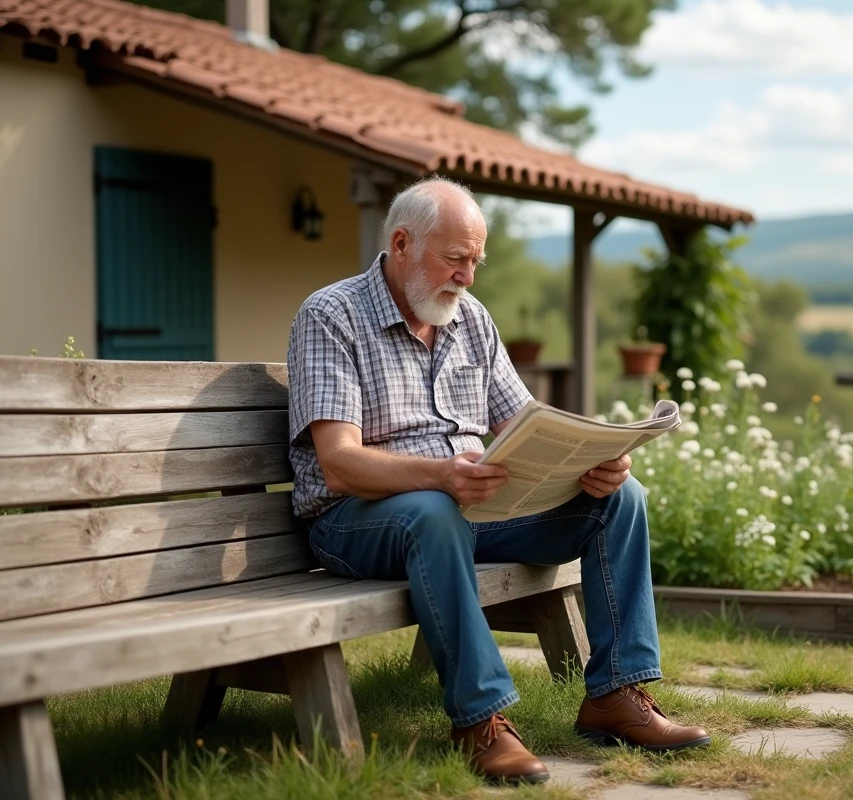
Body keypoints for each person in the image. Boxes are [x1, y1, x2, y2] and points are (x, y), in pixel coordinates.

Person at [286, 177, 709, 784]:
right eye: (455, 259)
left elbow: (526, 423)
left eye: (475, 261)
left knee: (620, 498)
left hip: (466, 510)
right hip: (355, 521)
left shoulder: (471, 320)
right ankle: (481, 722)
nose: (467, 277)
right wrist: (440, 475)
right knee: (432, 510)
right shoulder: (332, 315)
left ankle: (616, 696)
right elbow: (339, 463)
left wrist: (594, 458)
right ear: (402, 243)